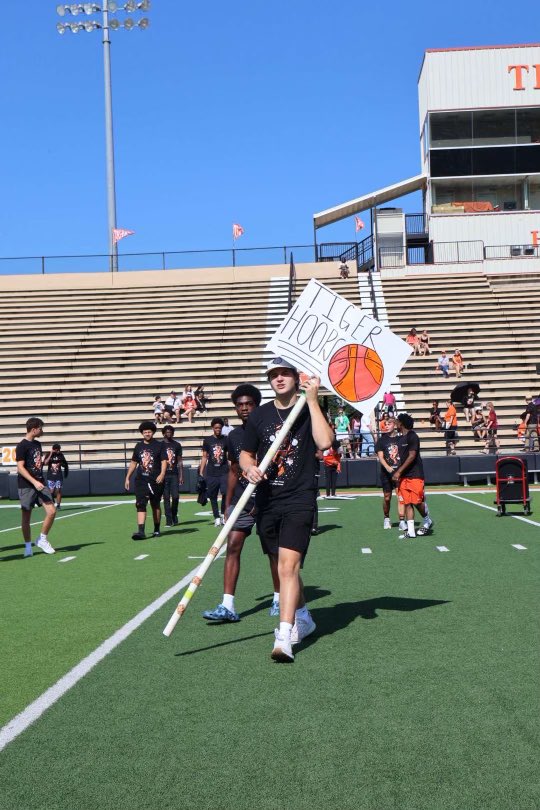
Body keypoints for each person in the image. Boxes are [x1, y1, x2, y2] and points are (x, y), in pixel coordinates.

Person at [240, 357, 334, 663]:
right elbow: (245, 453)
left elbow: (325, 442)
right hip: (268, 499)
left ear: (296, 376)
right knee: (278, 565)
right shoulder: (260, 415)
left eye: (284, 374)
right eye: (273, 375)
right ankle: (304, 615)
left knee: (288, 567)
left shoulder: (308, 408)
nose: (278, 379)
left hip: (299, 498)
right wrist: (249, 468)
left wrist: (313, 400)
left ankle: (284, 636)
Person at [203, 384, 281, 623]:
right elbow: (233, 470)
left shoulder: (272, 430)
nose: (244, 408)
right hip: (241, 500)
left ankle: (279, 599)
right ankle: (228, 605)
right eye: (240, 405)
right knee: (233, 546)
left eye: (249, 404)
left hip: (268, 499)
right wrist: (227, 504)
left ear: (257, 405)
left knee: (274, 552)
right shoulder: (233, 436)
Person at [16, 417, 57, 557]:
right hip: (27, 485)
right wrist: (34, 482)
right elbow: (20, 468)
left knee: (51, 511)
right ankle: (28, 546)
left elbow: (37, 464)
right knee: (26, 517)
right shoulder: (21, 445)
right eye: (40, 428)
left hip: (40, 483)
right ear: (33, 429)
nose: (42, 431)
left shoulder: (38, 444)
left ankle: (42, 539)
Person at [392, 413, 433, 539]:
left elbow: (412, 456)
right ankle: (411, 531)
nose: (395, 423)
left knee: (417, 502)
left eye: (397, 421)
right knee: (407, 503)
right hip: (404, 476)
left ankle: (427, 520)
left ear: (402, 423)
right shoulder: (399, 439)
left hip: (415, 474)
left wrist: (398, 472)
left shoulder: (413, 436)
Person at [125, 421, 167, 540]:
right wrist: (127, 477)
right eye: (145, 432)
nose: (147, 434)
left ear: (152, 432)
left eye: (149, 432)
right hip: (141, 480)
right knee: (140, 504)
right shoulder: (138, 446)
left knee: (155, 505)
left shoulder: (160, 445)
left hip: (155, 480)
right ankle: (141, 531)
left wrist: (162, 474)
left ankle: (157, 529)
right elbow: (134, 462)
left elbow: (164, 460)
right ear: (142, 433)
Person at [375, 416, 406, 531]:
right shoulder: (381, 440)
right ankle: (386, 518)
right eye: (385, 424)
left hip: (399, 472)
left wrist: (401, 469)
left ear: (394, 425)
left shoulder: (401, 439)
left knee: (401, 497)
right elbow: (381, 457)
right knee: (387, 498)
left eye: (389, 424)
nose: (386, 426)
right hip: (386, 473)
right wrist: (387, 467)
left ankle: (402, 521)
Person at [199, 418, 229, 526]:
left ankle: (223, 514)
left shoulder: (226, 439)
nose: (218, 429)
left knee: (225, 493)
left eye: (219, 428)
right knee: (213, 495)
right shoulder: (207, 440)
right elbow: (204, 457)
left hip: (224, 471)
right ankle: (216, 517)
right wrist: (201, 471)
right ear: (213, 428)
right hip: (211, 472)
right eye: (216, 428)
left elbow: (228, 456)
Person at [161, 425, 184, 527]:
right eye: (167, 432)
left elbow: (180, 461)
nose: (168, 433)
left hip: (174, 474)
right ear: (163, 433)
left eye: (170, 432)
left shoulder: (177, 445)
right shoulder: (160, 445)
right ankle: (168, 520)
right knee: (166, 497)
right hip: (163, 475)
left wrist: (181, 475)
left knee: (175, 496)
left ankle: (174, 514)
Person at [43, 443, 69, 509]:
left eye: (59, 450)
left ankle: (58, 505)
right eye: (57, 450)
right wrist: (51, 454)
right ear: (54, 449)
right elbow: (45, 463)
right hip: (51, 475)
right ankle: (52, 502)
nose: (58, 451)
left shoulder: (61, 455)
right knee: (51, 491)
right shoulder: (48, 454)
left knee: (58, 490)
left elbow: (65, 464)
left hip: (58, 475)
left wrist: (60, 464)